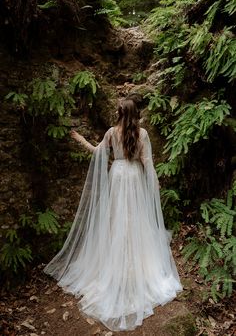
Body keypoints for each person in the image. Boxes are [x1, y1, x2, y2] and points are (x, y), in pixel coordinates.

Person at [44, 93, 183, 331]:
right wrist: (155, 184)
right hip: (135, 178)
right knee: (135, 221)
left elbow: (96, 152)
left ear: (120, 113)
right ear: (135, 114)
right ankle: (136, 268)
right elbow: (148, 163)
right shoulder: (143, 134)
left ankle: (117, 266)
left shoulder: (111, 133)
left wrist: (79, 138)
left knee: (116, 220)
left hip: (117, 177)